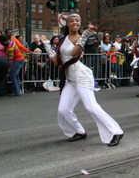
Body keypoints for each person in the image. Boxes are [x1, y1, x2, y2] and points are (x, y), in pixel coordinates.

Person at [41, 13, 123, 146]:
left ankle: (116, 132)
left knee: (91, 107)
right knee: (63, 109)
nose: (75, 23)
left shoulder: (80, 38)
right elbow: (56, 62)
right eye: (72, 20)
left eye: (77, 21)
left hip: (82, 76)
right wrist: (46, 45)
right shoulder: (63, 40)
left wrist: (85, 35)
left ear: (80, 23)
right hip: (70, 79)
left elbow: (74, 54)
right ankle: (78, 131)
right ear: (67, 24)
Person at [4, 29, 30, 96]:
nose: (10, 33)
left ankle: (16, 92)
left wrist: (9, 66)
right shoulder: (10, 43)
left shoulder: (11, 44)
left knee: (12, 75)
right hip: (18, 59)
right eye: (8, 32)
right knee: (16, 76)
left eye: (11, 32)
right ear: (6, 34)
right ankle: (17, 91)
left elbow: (11, 56)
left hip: (17, 60)